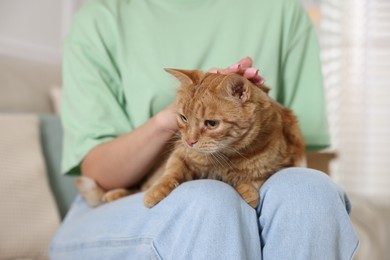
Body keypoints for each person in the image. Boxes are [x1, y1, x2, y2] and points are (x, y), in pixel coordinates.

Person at [49, 0, 359, 259]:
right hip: (123, 199)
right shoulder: (101, 17)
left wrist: (258, 116)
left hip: (249, 173)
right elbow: (98, 174)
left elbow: (307, 159)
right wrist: (166, 120)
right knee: (211, 202)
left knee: (310, 193)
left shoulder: (281, 9)